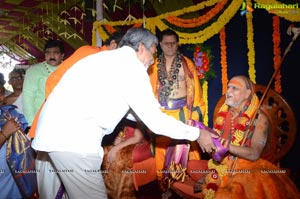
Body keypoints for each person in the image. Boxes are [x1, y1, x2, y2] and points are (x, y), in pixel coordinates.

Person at [30, 27, 216, 199]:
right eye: (152, 53)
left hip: (56, 136)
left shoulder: (106, 58)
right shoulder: (132, 68)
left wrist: (149, 115)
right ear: (141, 47)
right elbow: (156, 122)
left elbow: (125, 107)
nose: (152, 61)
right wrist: (197, 134)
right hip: (72, 142)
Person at [173, 75, 300, 199]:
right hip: (222, 165)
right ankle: (210, 186)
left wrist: (227, 146)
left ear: (247, 94)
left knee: (231, 191)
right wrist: (201, 131)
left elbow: (254, 154)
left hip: (249, 169)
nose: (228, 91)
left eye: (235, 88)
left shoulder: (260, 119)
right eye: (228, 87)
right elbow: (217, 144)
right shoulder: (224, 114)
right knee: (189, 166)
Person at [147, 29, 206, 185]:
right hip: (162, 113)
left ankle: (189, 182)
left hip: (182, 112)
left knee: (188, 148)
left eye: (173, 43)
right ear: (160, 44)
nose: (170, 47)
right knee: (161, 148)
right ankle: (163, 182)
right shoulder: (153, 65)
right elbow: (148, 91)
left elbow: (196, 94)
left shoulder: (187, 64)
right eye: (166, 43)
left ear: (178, 44)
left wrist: (193, 116)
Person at [22, 39, 65, 199]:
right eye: (48, 53)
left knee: (66, 159)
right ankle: (48, 195)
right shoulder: (34, 71)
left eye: (55, 53)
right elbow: (27, 98)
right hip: (42, 124)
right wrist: (33, 125)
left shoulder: (70, 68)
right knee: (45, 162)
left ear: (62, 55)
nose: (51, 56)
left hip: (65, 124)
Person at [0, 85, 26, 199]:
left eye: (1, 93)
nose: (2, 98)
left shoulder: (6, 112)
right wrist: (5, 133)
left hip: (12, 181)